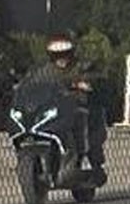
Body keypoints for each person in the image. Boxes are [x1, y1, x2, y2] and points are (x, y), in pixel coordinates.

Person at [20, 36, 107, 182]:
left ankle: (77, 157)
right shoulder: (44, 72)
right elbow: (30, 84)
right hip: (52, 110)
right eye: (57, 55)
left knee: (80, 119)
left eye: (65, 54)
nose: (62, 58)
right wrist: (21, 88)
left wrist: (83, 84)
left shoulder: (81, 67)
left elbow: (94, 78)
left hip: (76, 108)